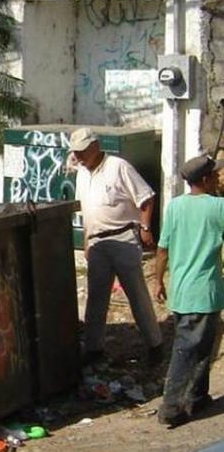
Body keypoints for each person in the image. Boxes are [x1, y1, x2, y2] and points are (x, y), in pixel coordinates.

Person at [70, 127, 163, 365]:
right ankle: (94, 349)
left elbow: (146, 197)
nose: (78, 156)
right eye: (76, 152)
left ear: (95, 146)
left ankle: (155, 344)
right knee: (96, 297)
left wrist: (145, 227)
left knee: (136, 294)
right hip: (98, 241)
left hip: (123, 238)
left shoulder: (118, 167)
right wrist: (87, 241)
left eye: (82, 151)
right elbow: (87, 209)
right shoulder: (81, 173)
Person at [154, 154, 224, 427]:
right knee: (187, 349)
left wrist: (159, 281)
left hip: (181, 291)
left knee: (203, 346)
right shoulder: (217, 208)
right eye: (215, 175)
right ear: (205, 179)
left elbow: (162, 249)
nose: (218, 178)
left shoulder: (174, 207)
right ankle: (171, 406)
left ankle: (196, 397)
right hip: (203, 292)